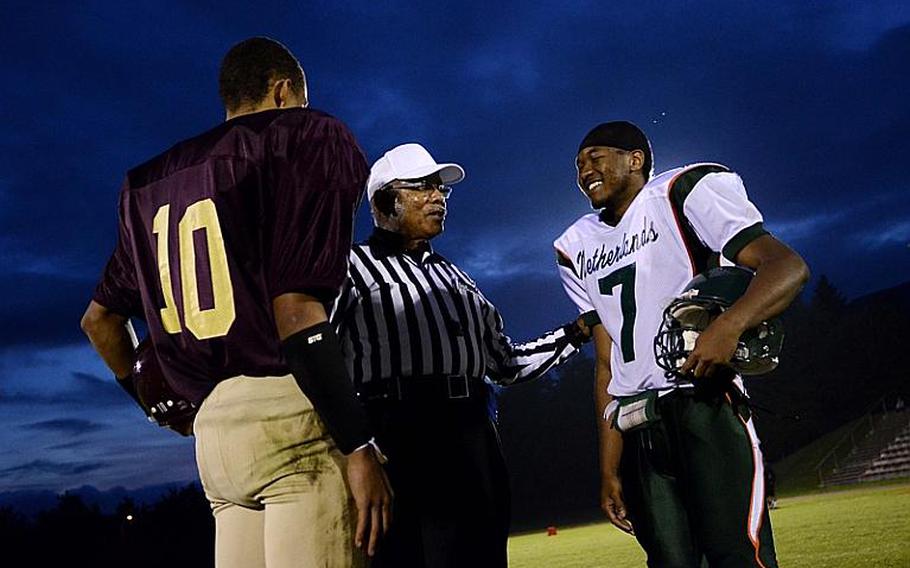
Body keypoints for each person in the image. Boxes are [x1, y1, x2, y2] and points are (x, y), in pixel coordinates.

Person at [80, 37, 391, 567]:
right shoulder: (307, 135)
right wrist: (358, 442)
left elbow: (99, 320)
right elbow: (296, 309)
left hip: (214, 436)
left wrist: (156, 403)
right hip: (290, 410)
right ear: (282, 92)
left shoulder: (148, 184)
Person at [554, 121, 809, 567]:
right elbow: (606, 364)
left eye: (596, 157)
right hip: (637, 425)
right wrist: (609, 469)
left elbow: (785, 266)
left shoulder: (681, 191)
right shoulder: (575, 246)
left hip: (703, 402)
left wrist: (727, 327)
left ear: (636, 160)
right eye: (578, 165)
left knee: (738, 557)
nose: (584, 171)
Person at [331, 143, 594, 568]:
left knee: (484, 555)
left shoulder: (458, 278)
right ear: (384, 200)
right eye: (421, 187)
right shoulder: (351, 268)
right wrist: (353, 444)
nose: (438, 198)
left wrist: (576, 332)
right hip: (400, 429)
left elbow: (504, 363)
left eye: (441, 190)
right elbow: (321, 354)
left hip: (474, 431)